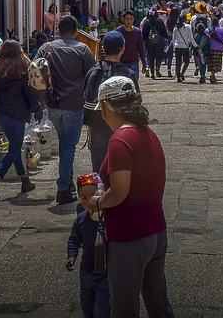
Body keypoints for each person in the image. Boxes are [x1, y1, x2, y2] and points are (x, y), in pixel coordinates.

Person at [91, 77, 176, 318]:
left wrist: (97, 203)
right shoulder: (146, 133)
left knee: (124, 307)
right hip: (156, 230)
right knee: (158, 301)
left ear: (107, 106)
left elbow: (119, 192)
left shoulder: (120, 140)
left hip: (130, 235)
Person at [38, 15, 96, 204]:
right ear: (76, 31)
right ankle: (63, 188)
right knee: (68, 146)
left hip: (52, 102)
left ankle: (68, 182)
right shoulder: (83, 49)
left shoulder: (46, 48)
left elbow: (33, 69)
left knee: (65, 144)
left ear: (58, 30)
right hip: (74, 103)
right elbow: (92, 76)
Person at [0, 40, 37, 200]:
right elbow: (30, 93)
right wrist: (37, 108)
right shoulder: (23, 71)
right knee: (14, 149)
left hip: (3, 113)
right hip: (17, 113)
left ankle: (25, 181)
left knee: (15, 147)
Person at [83, 31, 138, 174]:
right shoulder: (128, 73)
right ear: (122, 49)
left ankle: (101, 195)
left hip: (97, 125)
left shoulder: (93, 72)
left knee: (99, 170)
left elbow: (85, 98)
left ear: (103, 48)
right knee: (120, 169)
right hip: (121, 128)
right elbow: (136, 103)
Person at [67, 173, 110, 318]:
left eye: (94, 195)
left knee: (103, 309)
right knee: (87, 307)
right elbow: (74, 240)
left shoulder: (110, 219)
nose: (89, 200)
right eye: (84, 197)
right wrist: (71, 256)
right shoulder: (81, 220)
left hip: (106, 274)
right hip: (86, 272)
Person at [113, 10, 147, 82]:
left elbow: (141, 48)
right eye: (127, 19)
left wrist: (144, 63)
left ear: (133, 20)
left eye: (131, 19)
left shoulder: (137, 32)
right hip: (121, 63)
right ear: (123, 19)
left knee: (134, 84)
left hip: (133, 63)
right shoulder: (118, 32)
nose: (129, 21)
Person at [141, 9, 168, 79]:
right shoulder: (160, 21)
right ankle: (157, 68)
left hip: (149, 43)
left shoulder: (146, 22)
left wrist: (144, 41)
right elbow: (164, 31)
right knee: (159, 56)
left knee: (150, 58)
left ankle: (152, 73)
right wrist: (165, 38)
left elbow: (143, 33)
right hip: (159, 42)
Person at [171, 16, 196, 82]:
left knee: (178, 63)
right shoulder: (188, 27)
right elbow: (191, 38)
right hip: (185, 46)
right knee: (186, 62)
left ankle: (178, 77)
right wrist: (195, 45)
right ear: (185, 20)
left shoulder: (175, 27)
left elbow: (173, 39)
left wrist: (174, 48)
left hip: (177, 46)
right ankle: (182, 73)